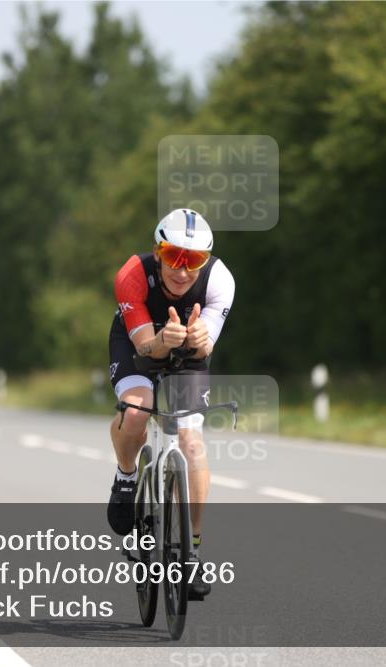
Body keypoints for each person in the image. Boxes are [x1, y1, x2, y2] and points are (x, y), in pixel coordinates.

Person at [107, 208, 235, 599]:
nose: (182, 271)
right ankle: (127, 475)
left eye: (193, 260)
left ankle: (191, 553)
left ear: (206, 259)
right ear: (157, 252)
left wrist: (198, 336)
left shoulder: (220, 280)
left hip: (188, 355)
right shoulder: (132, 275)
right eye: (173, 256)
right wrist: (165, 339)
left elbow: (207, 344)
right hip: (138, 345)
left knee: (192, 443)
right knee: (135, 411)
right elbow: (146, 346)